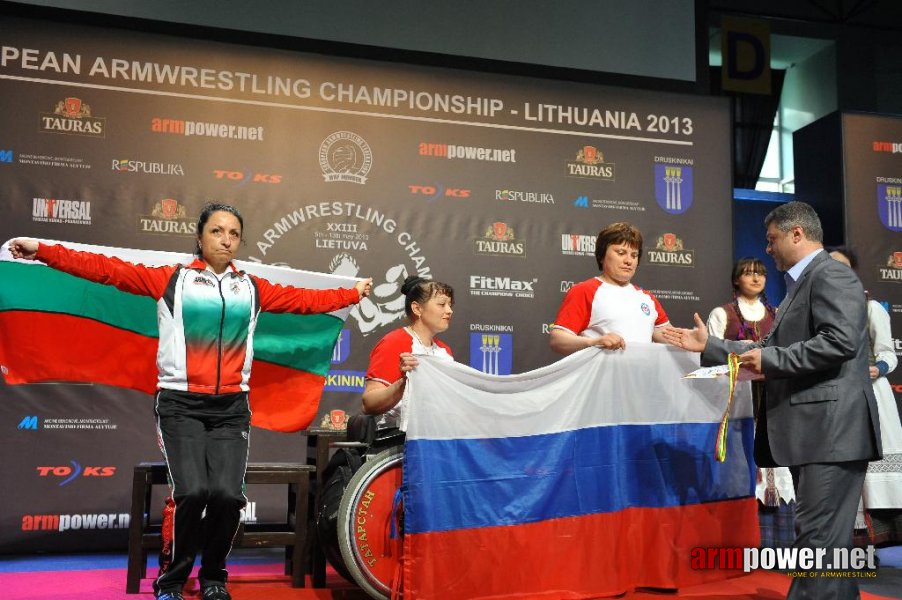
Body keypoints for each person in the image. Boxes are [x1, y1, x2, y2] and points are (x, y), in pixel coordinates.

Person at [8, 203, 373, 600]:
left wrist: (350, 293)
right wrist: (42, 250)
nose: (226, 240)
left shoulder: (250, 287)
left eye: (234, 233)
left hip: (232, 409)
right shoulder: (171, 280)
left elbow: (305, 300)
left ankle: (214, 576)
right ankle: (173, 581)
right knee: (194, 492)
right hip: (180, 405)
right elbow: (103, 268)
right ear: (199, 238)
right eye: (217, 231)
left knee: (229, 496)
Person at [663, 201, 881, 600]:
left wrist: (770, 358)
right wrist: (709, 345)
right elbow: (767, 347)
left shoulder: (831, 274)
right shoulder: (800, 285)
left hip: (832, 432)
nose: (768, 249)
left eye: (772, 239)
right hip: (816, 433)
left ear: (796, 234)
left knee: (818, 542)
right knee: (825, 543)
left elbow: (840, 342)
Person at [707, 258, 796, 549]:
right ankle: (740, 540)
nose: (756, 278)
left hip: (771, 402)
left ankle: (778, 544)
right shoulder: (723, 314)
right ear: (736, 280)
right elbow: (709, 359)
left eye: (760, 274)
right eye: (748, 273)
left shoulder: (777, 313)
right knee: (741, 463)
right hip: (737, 405)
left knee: (776, 464)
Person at [828, 246, 902, 546]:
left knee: (874, 459)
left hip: (871, 393)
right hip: (836, 395)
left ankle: (880, 534)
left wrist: (878, 368)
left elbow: (887, 352)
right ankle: (850, 537)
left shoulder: (871, 308)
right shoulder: (819, 308)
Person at [549, 221, 671, 355]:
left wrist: (693, 339)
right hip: (600, 376)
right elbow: (558, 339)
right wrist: (593, 342)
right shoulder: (585, 290)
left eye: (634, 255)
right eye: (621, 252)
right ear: (602, 256)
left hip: (641, 376)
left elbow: (669, 337)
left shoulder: (647, 298)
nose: (628, 261)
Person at [362, 275, 454, 429]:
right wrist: (404, 382)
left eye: (450, 305)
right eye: (442, 304)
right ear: (417, 308)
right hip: (398, 442)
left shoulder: (445, 351)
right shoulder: (394, 342)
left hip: (437, 439)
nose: (449, 311)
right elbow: (368, 404)